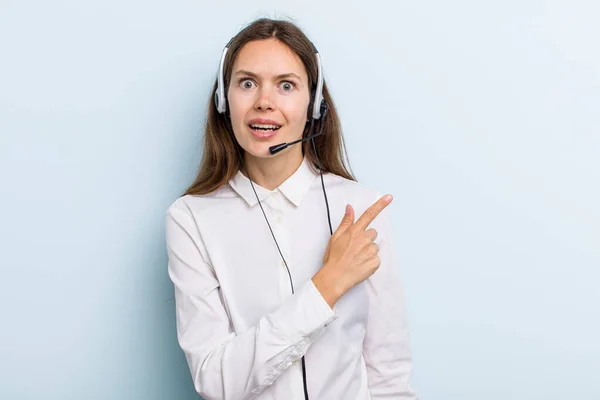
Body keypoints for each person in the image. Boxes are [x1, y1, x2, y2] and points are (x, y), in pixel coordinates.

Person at [165, 17, 418, 400]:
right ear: (223, 99)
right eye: (247, 83)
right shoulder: (190, 220)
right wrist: (326, 286)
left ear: (313, 103)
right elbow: (216, 382)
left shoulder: (363, 208)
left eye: (286, 85)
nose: (264, 101)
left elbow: (389, 375)